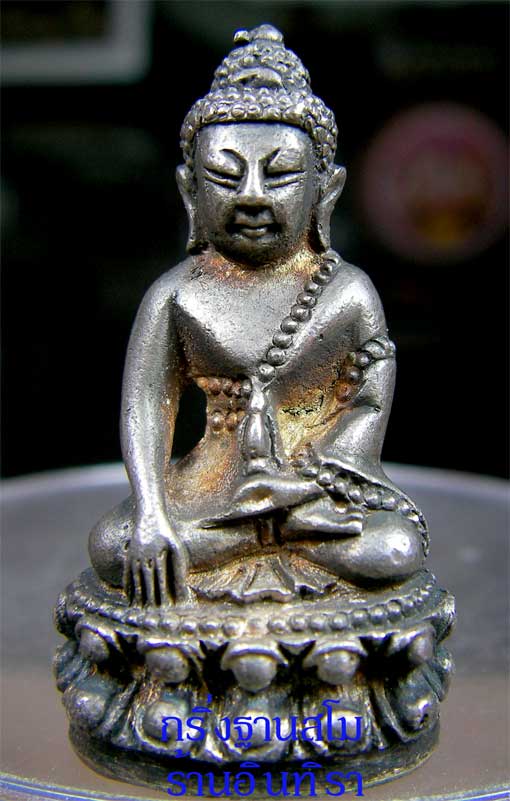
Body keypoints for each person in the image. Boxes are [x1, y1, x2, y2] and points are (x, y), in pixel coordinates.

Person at [89, 25, 427, 607]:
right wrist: (151, 512)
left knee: (392, 547)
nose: (251, 195)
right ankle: (257, 537)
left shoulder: (348, 293)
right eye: (225, 176)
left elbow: (368, 403)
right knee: (112, 545)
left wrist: (302, 486)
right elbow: (145, 405)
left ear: (326, 190)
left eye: (281, 175)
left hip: (314, 488)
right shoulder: (175, 296)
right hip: (211, 487)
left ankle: (255, 536)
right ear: (190, 192)